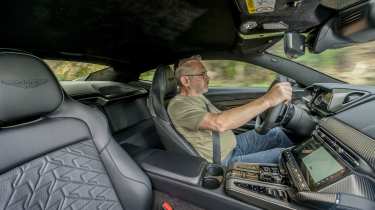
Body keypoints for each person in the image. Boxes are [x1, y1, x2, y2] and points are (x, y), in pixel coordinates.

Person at [167, 55, 293, 165]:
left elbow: (224, 116)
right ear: (185, 80)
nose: (208, 78)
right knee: (287, 156)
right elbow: (219, 123)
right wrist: (267, 100)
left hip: (234, 146)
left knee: (276, 133)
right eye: (202, 74)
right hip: (223, 160)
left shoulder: (196, 97)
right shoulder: (179, 105)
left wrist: (262, 108)